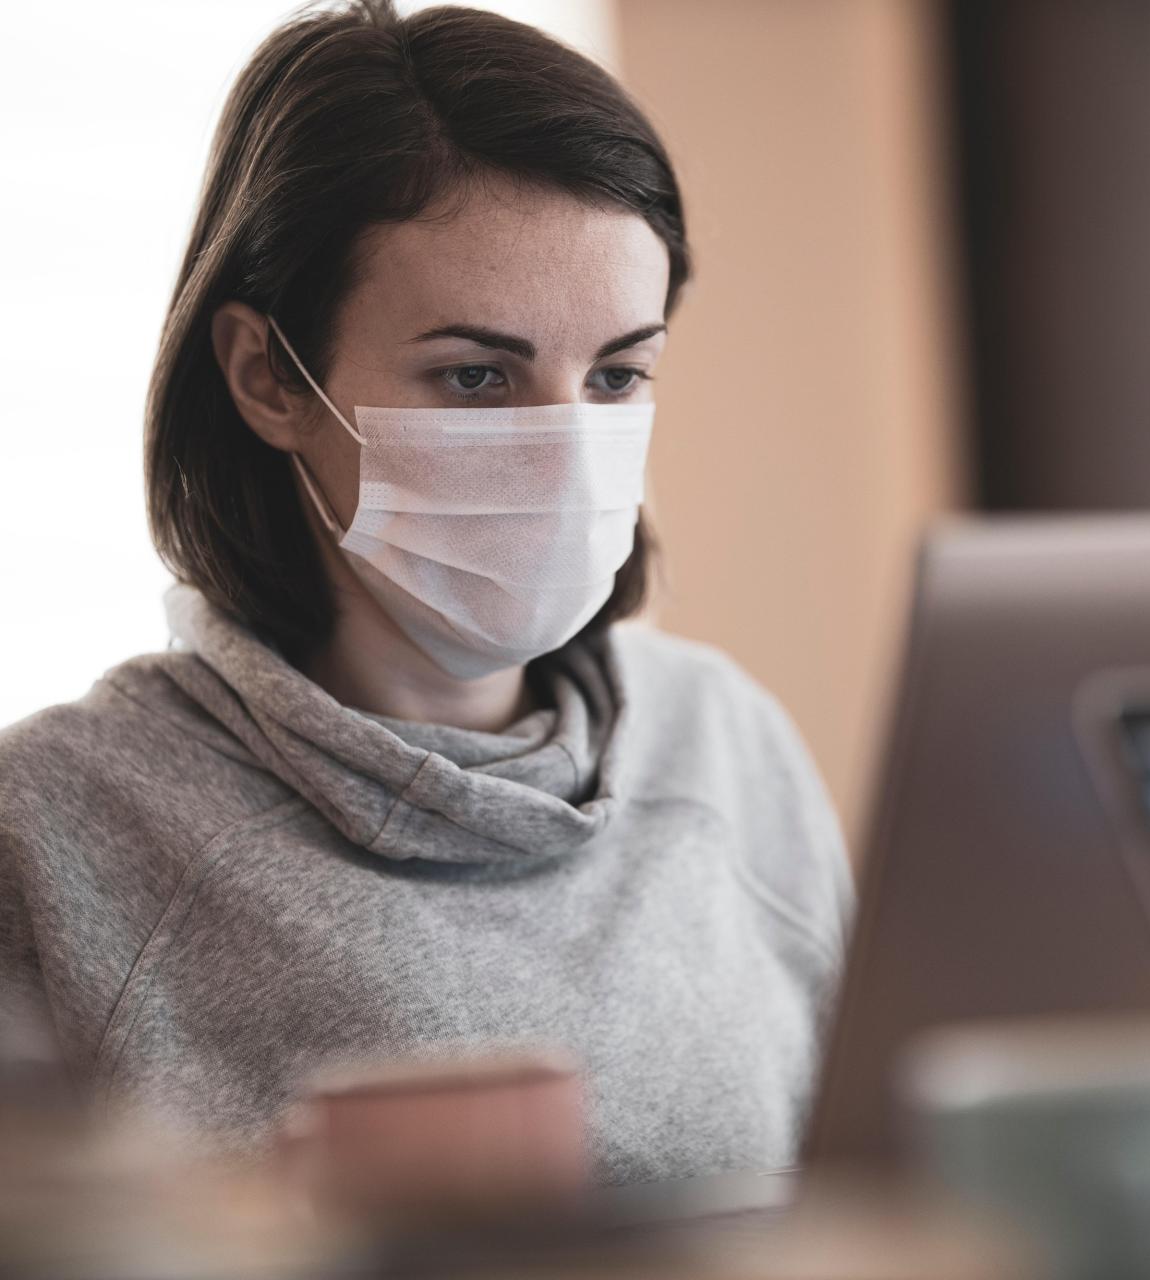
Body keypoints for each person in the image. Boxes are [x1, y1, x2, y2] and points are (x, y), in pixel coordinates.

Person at [0, 0, 852, 1187]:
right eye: (473, 376)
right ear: (266, 376)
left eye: (615, 374)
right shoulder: (55, 824)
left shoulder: (725, 748)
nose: (563, 449)